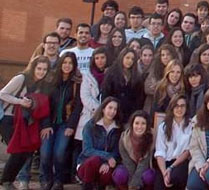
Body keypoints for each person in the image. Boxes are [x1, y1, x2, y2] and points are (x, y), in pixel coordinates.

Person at [0, 56, 54, 188]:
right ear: (33, 67)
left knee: (25, 151)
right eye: (39, 68)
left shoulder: (41, 84)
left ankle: (8, 180)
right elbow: (2, 93)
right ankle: (5, 181)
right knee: (18, 150)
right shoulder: (21, 78)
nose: (41, 72)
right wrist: (20, 101)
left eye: (44, 69)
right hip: (8, 118)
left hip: (25, 121)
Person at [42, 52, 80, 190]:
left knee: (59, 153)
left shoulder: (76, 83)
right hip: (49, 123)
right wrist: (45, 125)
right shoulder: (50, 81)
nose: (67, 65)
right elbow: (44, 104)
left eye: (70, 63)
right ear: (60, 63)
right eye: (65, 62)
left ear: (74, 65)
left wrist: (71, 126)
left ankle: (59, 181)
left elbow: (78, 106)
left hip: (65, 124)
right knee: (45, 153)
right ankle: (47, 180)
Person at [76, 97, 123, 190]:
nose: (112, 111)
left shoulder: (118, 129)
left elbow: (117, 151)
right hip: (87, 165)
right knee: (95, 160)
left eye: (115, 109)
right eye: (110, 108)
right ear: (103, 109)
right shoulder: (90, 125)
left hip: (106, 165)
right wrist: (107, 156)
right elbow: (87, 150)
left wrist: (106, 163)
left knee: (106, 174)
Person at [154, 94, 193, 190]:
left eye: (182, 106)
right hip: (165, 162)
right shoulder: (163, 126)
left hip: (181, 162)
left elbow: (188, 151)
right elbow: (160, 152)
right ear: (172, 107)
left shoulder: (191, 126)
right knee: (159, 186)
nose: (179, 109)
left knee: (174, 178)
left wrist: (171, 168)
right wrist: (164, 172)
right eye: (176, 105)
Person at [113, 110, 156, 190]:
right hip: (128, 166)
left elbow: (145, 162)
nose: (139, 127)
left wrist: (135, 183)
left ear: (147, 125)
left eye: (143, 123)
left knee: (149, 177)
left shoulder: (152, 137)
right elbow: (127, 161)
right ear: (132, 124)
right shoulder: (124, 137)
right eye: (136, 123)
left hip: (145, 167)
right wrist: (131, 184)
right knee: (119, 174)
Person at [102, 48, 147, 122]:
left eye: (132, 59)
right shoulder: (111, 73)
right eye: (127, 58)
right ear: (122, 57)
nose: (130, 61)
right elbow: (105, 94)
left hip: (129, 116)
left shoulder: (137, 76)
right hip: (113, 113)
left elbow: (139, 99)